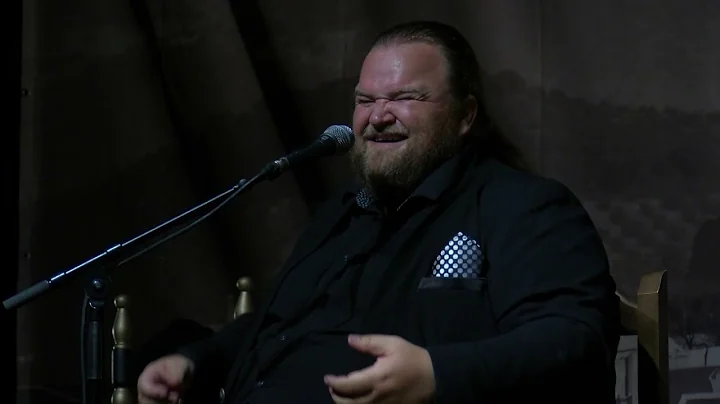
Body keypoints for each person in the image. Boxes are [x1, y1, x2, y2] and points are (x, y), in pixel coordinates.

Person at [137, 20, 619, 404]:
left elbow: (574, 343)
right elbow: (278, 325)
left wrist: (435, 376)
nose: (378, 115)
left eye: (405, 98)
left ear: (466, 115)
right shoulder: (342, 215)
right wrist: (195, 361)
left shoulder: (521, 206)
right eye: (365, 100)